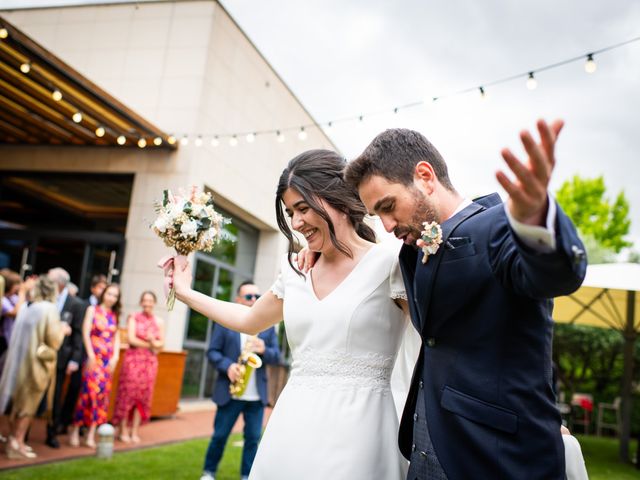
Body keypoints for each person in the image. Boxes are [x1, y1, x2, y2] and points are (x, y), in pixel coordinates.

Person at [343, 120, 587, 479]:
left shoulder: (500, 227)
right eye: (377, 215)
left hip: (496, 456)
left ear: (425, 176)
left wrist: (538, 220)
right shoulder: (409, 255)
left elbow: (556, 272)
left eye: (388, 206)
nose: (388, 226)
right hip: (425, 447)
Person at [165, 150, 416, 479]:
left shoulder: (390, 263)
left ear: (337, 198)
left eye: (302, 208)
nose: (296, 223)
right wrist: (184, 292)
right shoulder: (295, 271)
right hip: (293, 424)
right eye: (290, 212)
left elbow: (434, 336)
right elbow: (248, 320)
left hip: (363, 429)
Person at [200, 281, 281, 480]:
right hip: (230, 392)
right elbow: (212, 351)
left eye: (256, 296)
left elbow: (277, 356)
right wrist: (228, 366)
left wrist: (264, 349)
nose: (253, 300)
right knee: (220, 436)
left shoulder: (268, 327)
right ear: (238, 299)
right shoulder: (224, 322)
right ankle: (209, 472)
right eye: (248, 297)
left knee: (253, 439)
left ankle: (247, 475)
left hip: (256, 396)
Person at [0, 276, 70, 459]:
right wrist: (62, 330)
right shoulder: (49, 309)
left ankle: (13, 440)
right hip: (35, 365)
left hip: (17, 361)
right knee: (28, 405)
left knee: (16, 403)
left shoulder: (27, 307)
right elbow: (53, 340)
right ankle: (17, 442)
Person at [69, 283, 121, 448]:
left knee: (101, 397)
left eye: (115, 295)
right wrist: (90, 355)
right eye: (109, 294)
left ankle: (91, 433)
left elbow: (116, 338)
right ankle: (76, 429)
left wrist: (115, 357)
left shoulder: (115, 315)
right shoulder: (93, 310)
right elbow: (85, 332)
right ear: (104, 294)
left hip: (107, 363)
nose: (111, 298)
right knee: (87, 394)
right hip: (93, 359)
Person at [112, 290, 164, 444]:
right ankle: (123, 429)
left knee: (142, 398)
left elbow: (161, 344)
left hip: (149, 364)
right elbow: (131, 339)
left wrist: (154, 343)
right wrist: (151, 343)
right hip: (133, 361)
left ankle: (134, 430)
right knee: (127, 395)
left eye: (150, 301)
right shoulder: (133, 318)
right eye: (145, 300)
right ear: (141, 302)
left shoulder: (159, 321)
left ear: (154, 303)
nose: (147, 303)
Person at [45, 267, 88, 449]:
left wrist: (74, 359)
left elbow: (78, 334)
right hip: (40, 354)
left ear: (60, 284)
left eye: (49, 280)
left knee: (54, 397)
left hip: (62, 358)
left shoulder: (76, 304)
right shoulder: (44, 299)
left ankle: (51, 433)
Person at [0, 270, 34, 364]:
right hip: (2, 340)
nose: (19, 286)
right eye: (16, 284)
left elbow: (26, 307)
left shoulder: (12, 297)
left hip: (8, 340)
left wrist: (29, 291)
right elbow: (16, 312)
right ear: (8, 285)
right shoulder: (2, 299)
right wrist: (22, 292)